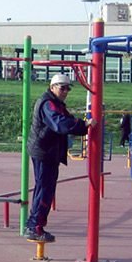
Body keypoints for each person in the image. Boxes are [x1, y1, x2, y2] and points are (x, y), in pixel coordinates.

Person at [24, 73, 97, 242]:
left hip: (48, 152)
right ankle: (34, 226)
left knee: (45, 189)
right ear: (52, 87)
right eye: (62, 88)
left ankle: (35, 224)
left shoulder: (56, 104)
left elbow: (67, 120)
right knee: (44, 189)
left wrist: (83, 126)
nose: (65, 92)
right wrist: (83, 125)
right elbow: (60, 123)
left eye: (67, 89)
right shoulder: (48, 104)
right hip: (44, 151)